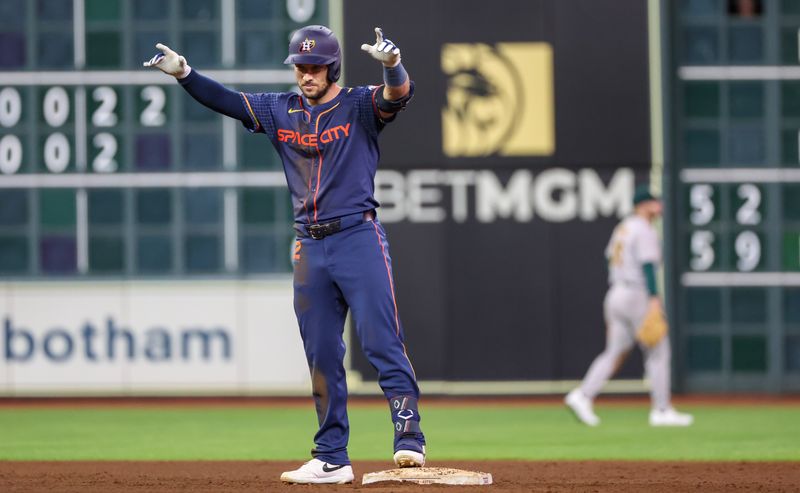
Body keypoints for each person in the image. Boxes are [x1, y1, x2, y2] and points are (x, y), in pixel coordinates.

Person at [145, 25, 426, 484]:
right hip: (309, 245)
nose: (305, 74)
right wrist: (185, 74)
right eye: (299, 65)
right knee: (320, 354)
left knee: (380, 341)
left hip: (358, 237)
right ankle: (333, 456)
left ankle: (409, 438)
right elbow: (228, 101)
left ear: (331, 66)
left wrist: (393, 65)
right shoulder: (281, 109)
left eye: (314, 66)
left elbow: (398, 95)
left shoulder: (357, 103)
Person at [565, 186, 694, 427]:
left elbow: (607, 259)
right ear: (643, 205)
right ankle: (662, 410)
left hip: (615, 292)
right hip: (636, 292)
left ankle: (583, 395)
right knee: (659, 350)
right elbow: (648, 267)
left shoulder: (623, 227)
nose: (659, 205)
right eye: (655, 202)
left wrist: (619, 280)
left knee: (614, 351)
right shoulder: (644, 229)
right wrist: (654, 298)